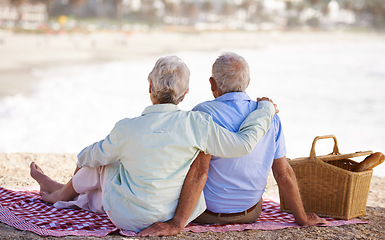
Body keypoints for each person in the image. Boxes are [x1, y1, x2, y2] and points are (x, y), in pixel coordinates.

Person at [30, 55, 277, 232]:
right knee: (111, 164)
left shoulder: (126, 128)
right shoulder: (197, 124)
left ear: (150, 88)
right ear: (186, 93)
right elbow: (243, 144)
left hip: (127, 219)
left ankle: (60, 194)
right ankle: (60, 192)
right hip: (172, 213)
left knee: (104, 161)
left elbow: (88, 158)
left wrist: (84, 155)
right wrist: (265, 108)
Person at [139, 52, 326, 237]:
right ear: (248, 83)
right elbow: (283, 173)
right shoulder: (270, 117)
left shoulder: (202, 113)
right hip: (250, 213)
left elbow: (199, 172)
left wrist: (176, 223)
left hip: (205, 213)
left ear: (212, 84)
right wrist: (302, 218)